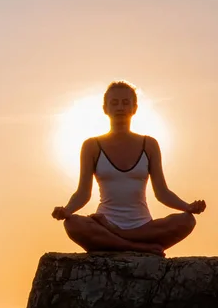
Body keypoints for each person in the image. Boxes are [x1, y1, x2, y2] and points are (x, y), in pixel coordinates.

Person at [52, 81, 206, 257]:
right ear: (105, 108)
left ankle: (118, 239)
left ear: (134, 108)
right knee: (72, 224)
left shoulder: (149, 144)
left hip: (142, 227)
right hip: (105, 222)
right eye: (114, 103)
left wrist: (188, 207)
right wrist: (67, 210)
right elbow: (83, 193)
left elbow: (162, 192)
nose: (120, 108)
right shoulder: (91, 146)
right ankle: (138, 247)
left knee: (186, 221)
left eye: (126, 103)